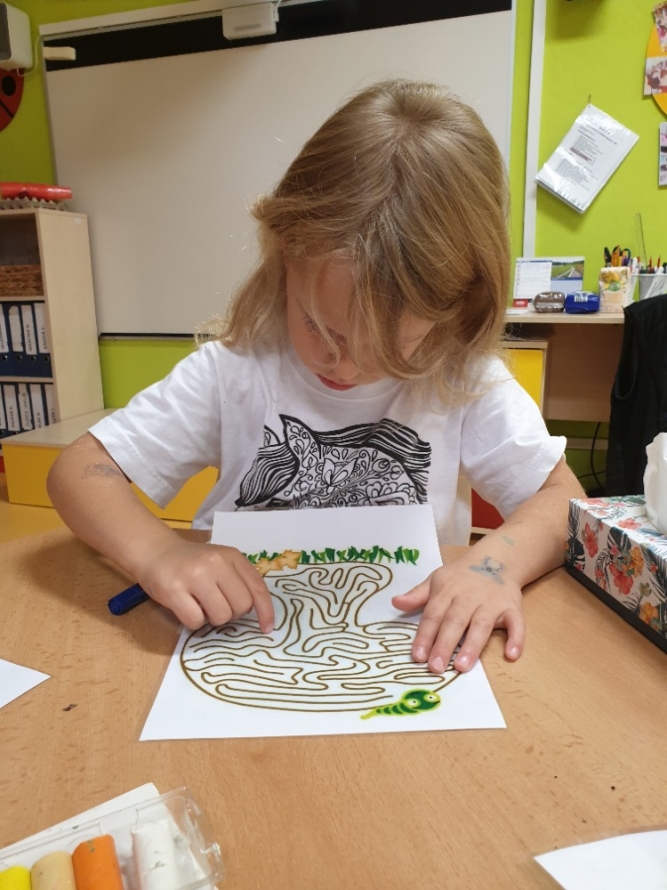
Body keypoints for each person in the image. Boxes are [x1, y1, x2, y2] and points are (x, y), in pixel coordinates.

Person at [47, 79, 584, 675]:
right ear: (284, 254)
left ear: (458, 306)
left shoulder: (461, 379)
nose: (344, 367)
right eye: (321, 330)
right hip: (231, 647)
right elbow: (79, 471)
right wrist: (158, 554)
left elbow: (564, 502)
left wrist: (493, 565)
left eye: (390, 349)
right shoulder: (237, 370)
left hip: (398, 656)